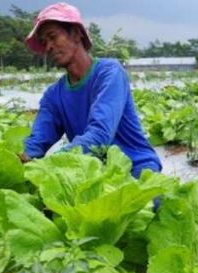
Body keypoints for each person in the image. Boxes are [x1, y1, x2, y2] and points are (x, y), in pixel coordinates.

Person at [21, 2, 162, 179]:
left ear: (76, 34)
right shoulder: (53, 95)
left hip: (135, 167)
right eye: (44, 42)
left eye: (53, 37)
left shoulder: (109, 72)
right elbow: (36, 143)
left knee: (142, 204)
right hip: (92, 175)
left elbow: (99, 135)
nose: (48, 47)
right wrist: (21, 160)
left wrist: (50, 165)